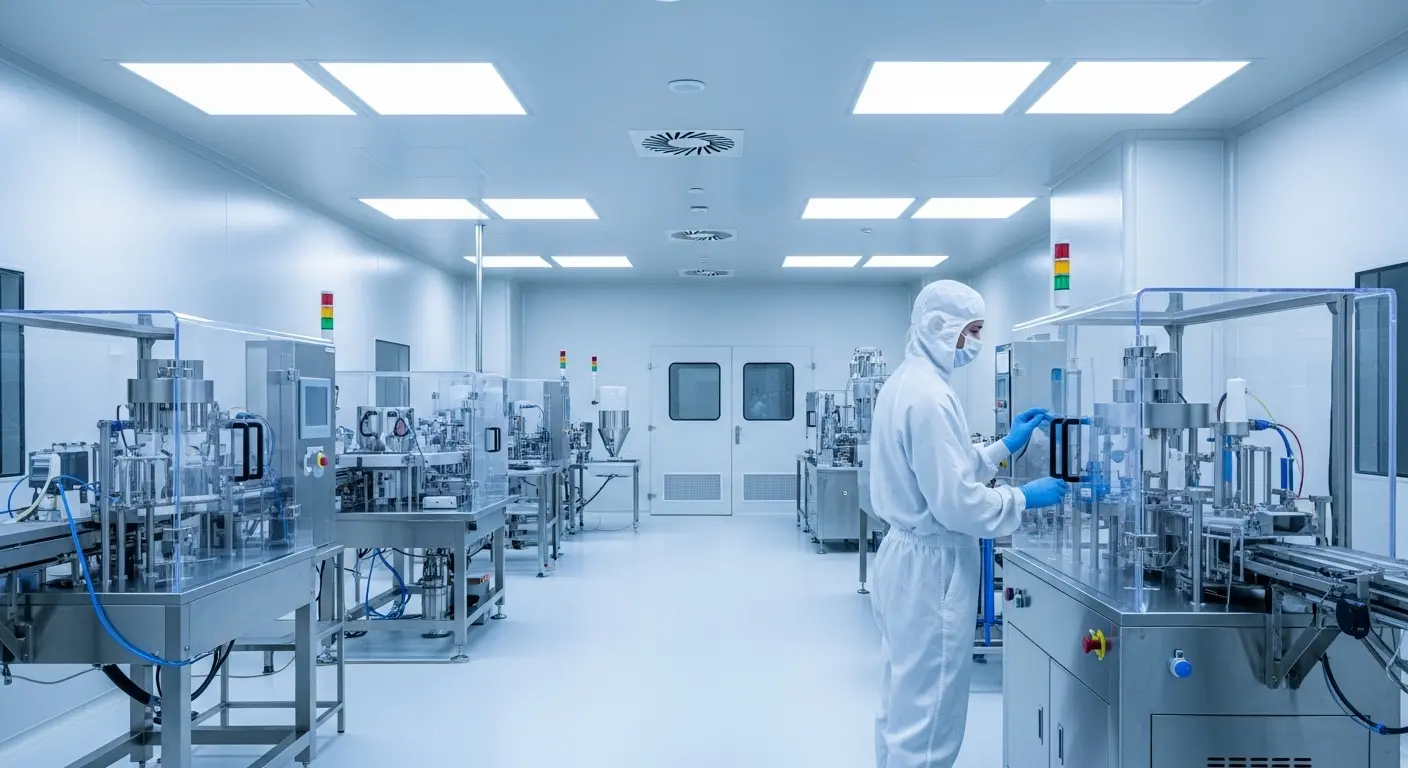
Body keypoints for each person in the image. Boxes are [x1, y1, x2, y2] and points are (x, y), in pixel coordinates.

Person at [869, 280, 1070, 768]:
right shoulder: (931, 398)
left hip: (906, 558)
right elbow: (956, 504)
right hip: (931, 570)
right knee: (931, 713)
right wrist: (1023, 497)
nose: (975, 344)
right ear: (943, 328)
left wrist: (1004, 446)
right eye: (973, 331)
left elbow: (947, 468)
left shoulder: (908, 383)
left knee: (904, 699)